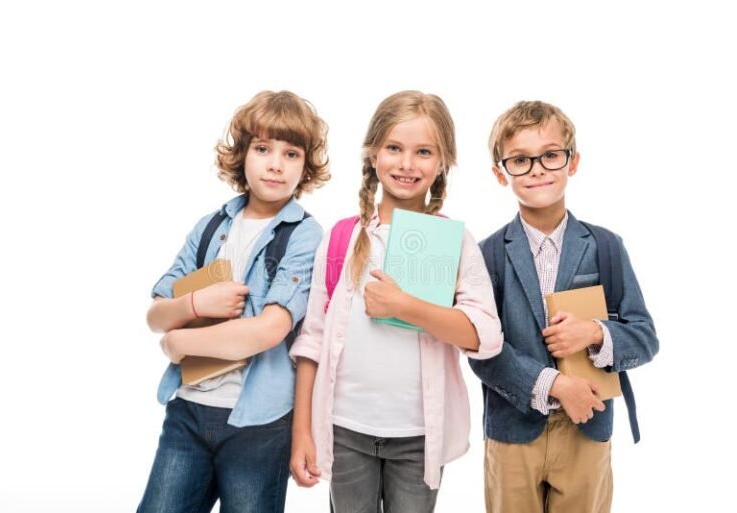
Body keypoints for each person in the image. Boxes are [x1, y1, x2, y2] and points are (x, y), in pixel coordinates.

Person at [289, 90, 503, 513]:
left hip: (419, 437)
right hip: (344, 428)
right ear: (372, 155)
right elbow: (311, 339)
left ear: (442, 163)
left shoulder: (453, 242)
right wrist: (302, 432)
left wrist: (406, 306)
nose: (406, 164)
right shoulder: (341, 238)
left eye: (423, 152)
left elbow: (486, 337)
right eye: (394, 148)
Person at [137, 90, 330, 513]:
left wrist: (180, 343)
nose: (276, 163)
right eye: (263, 149)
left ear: (305, 165)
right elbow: (156, 314)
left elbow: (268, 330)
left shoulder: (304, 236)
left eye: (291, 153)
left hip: (259, 423)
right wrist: (194, 305)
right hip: (187, 411)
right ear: (242, 154)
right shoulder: (210, 226)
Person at [470, 100, 659, 513]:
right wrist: (553, 384)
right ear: (500, 173)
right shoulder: (486, 255)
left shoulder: (606, 246)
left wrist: (595, 332)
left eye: (550, 155)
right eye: (520, 159)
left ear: (572, 163)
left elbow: (644, 337)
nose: (537, 168)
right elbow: (482, 349)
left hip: (587, 430)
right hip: (512, 432)